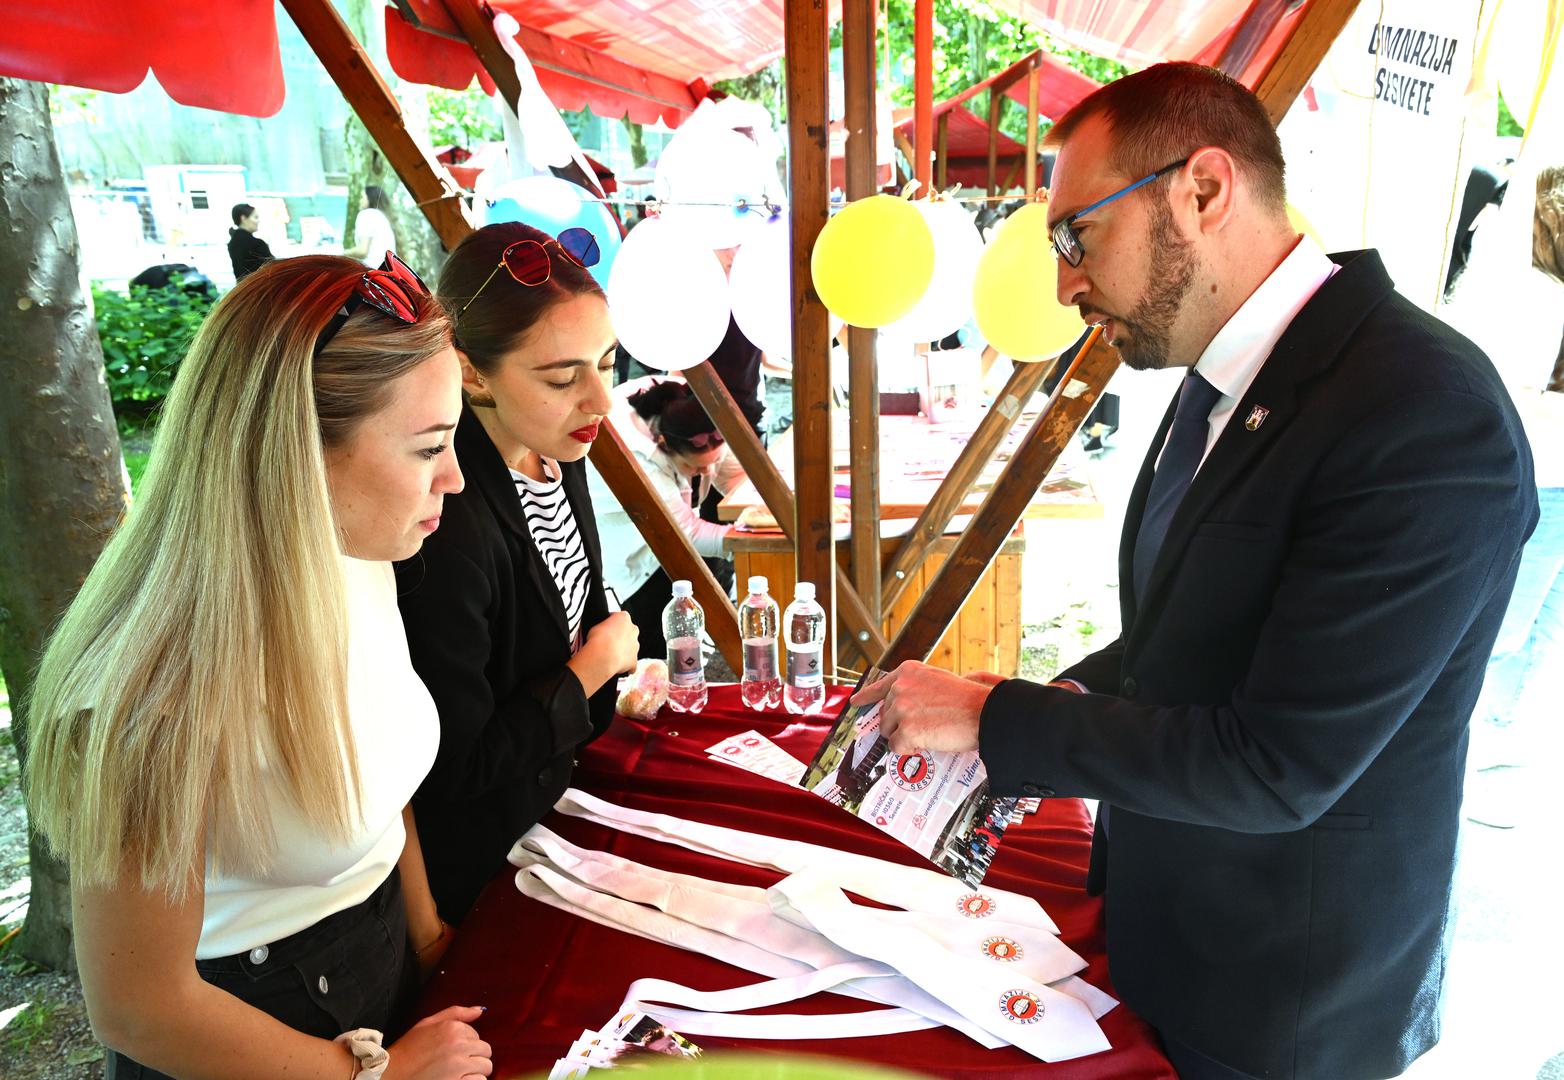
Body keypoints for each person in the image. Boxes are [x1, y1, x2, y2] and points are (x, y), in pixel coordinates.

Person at [854, 63, 1538, 1080]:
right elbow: (1189, 634)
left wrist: (1001, 721)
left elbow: (1279, 763)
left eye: (1075, 235)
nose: (1062, 282)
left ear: (1203, 189)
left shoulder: (1421, 411)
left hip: (1282, 994)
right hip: (1166, 930)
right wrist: (1038, 700)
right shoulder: (1222, 373)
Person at [24, 255, 491, 1079]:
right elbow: (139, 1006)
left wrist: (426, 941)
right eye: (428, 446)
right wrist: (378, 1074)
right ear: (295, 456)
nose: (454, 478)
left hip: (379, 963)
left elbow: (379, 787)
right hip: (244, 1029)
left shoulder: (360, 550)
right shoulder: (153, 691)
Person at [395, 221, 638, 922]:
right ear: (470, 371)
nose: (600, 400)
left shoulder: (554, 448)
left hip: (561, 805)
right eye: (564, 377)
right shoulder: (444, 518)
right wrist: (593, 667)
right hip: (490, 868)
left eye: (607, 362)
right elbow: (456, 769)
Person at [587, 376, 747, 659]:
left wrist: (758, 515)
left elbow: (737, 477)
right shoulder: (638, 456)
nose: (706, 474)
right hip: (634, 545)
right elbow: (686, 532)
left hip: (672, 528)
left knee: (701, 602)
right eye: (695, 468)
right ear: (666, 446)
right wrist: (746, 540)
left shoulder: (692, 411)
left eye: (713, 462)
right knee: (657, 640)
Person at [346, 185, 396, 268]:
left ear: (370, 198)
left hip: (372, 272)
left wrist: (343, 254)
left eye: (362, 197)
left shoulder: (366, 214)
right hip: (387, 271)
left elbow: (362, 251)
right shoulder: (382, 216)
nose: (360, 201)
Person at [227, 203, 273, 281]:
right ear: (243, 218)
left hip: (244, 289)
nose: (258, 221)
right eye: (255, 217)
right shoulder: (257, 244)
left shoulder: (233, 242)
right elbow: (273, 269)